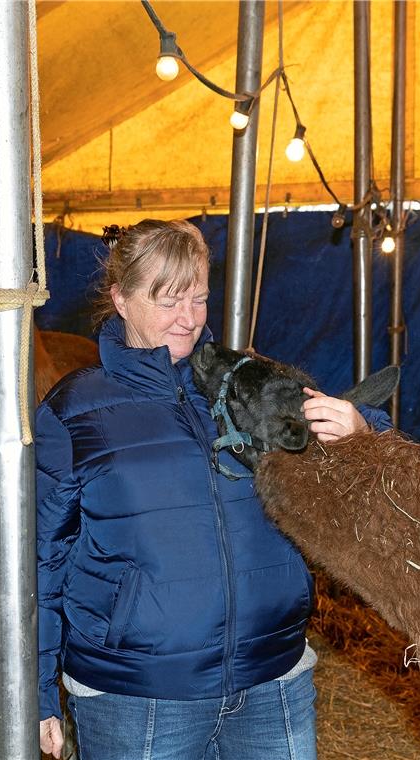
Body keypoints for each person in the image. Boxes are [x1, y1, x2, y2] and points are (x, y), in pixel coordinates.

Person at [36, 219, 392, 760]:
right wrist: (38, 692)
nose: (188, 319)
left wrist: (363, 426)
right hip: (141, 695)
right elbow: (41, 562)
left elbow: (344, 428)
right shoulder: (75, 411)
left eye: (199, 299)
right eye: (168, 300)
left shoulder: (241, 381)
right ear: (122, 299)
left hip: (273, 677)